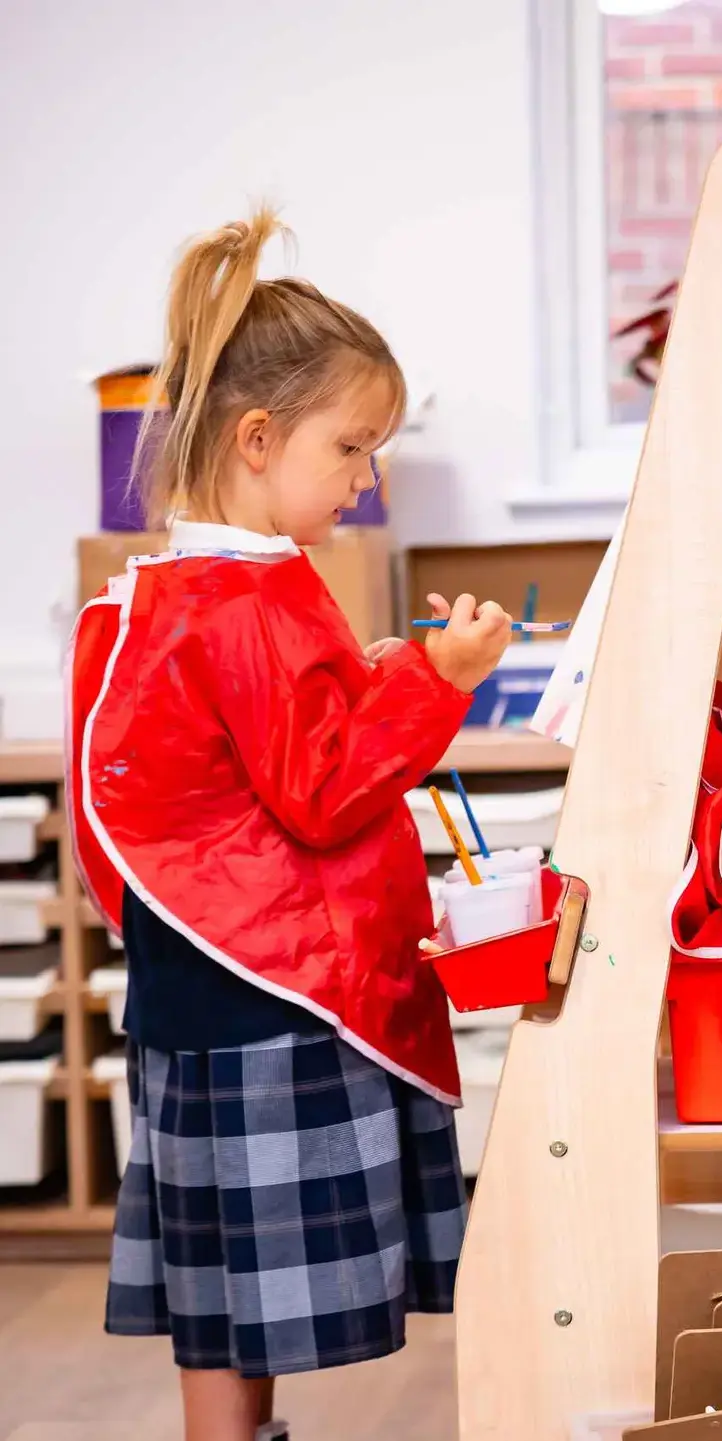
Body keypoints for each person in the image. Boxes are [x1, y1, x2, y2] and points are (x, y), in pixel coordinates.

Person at [66, 208, 512, 1441]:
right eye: (352, 448)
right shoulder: (249, 599)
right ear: (257, 439)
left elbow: (248, 761)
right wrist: (439, 679)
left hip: (198, 987)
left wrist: (376, 674)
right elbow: (320, 789)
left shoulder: (175, 585)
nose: (367, 479)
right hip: (272, 994)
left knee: (220, 1293)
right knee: (242, 1278)